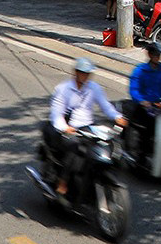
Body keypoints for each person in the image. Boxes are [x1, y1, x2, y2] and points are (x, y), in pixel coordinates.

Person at [45, 57, 124, 196]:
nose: (85, 76)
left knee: (108, 143)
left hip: (87, 127)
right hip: (68, 129)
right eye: (82, 73)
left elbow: (105, 105)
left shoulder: (94, 88)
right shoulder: (63, 89)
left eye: (87, 73)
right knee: (74, 147)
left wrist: (117, 116)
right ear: (76, 72)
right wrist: (65, 128)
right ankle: (63, 181)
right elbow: (56, 113)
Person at [125, 40, 161, 130]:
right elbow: (133, 90)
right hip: (142, 108)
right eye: (155, 55)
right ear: (149, 55)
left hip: (157, 106)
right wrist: (142, 101)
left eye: (159, 55)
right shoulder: (139, 71)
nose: (157, 58)